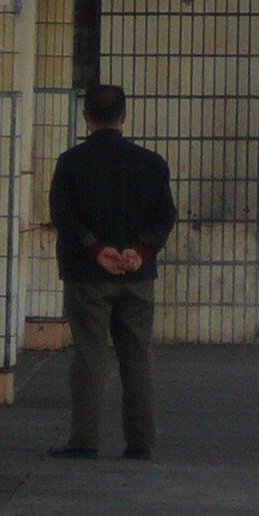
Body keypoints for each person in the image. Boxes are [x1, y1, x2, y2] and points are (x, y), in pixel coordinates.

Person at [47, 84, 178, 461]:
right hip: (137, 277)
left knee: (89, 357)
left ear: (86, 116)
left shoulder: (70, 162)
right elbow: (165, 215)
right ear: (124, 116)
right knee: (136, 357)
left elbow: (63, 215)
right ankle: (141, 442)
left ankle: (85, 440)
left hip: (86, 276)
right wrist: (140, 251)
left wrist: (95, 249)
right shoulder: (151, 163)